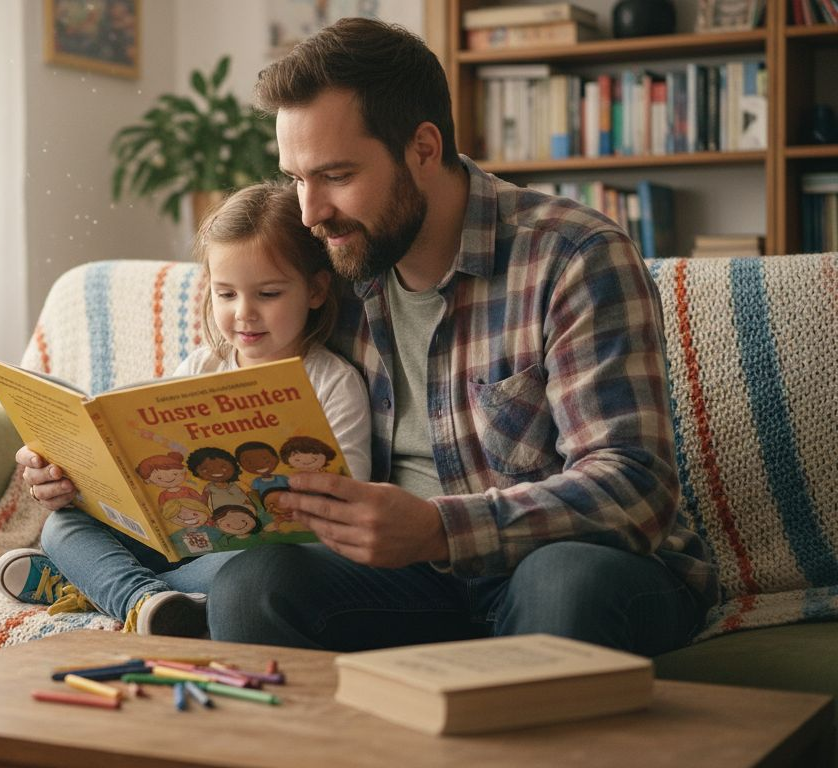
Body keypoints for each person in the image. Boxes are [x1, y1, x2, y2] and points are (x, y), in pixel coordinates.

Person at [198, 18, 718, 655]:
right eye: (296, 179)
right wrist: (88, 466)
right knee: (254, 587)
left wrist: (439, 529)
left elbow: (635, 488)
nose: (310, 213)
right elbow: (225, 366)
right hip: (410, 582)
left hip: (574, 564)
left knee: (564, 584)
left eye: (335, 176)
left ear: (422, 146)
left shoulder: (573, 256)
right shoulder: (328, 263)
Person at [0, 181, 371, 636]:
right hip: (176, 535)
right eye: (226, 294)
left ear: (315, 290)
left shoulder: (334, 382)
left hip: (253, 551)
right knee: (63, 526)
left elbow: (351, 496)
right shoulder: (200, 366)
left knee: (252, 570)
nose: (244, 313)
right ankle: (148, 602)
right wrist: (74, 476)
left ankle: (100, 589)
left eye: (268, 294)